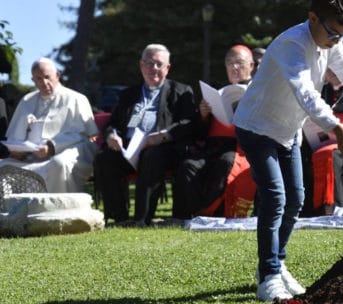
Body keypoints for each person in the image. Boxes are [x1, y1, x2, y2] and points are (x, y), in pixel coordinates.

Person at [233, 0, 343, 302]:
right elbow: (305, 91)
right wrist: (337, 128)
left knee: (296, 199)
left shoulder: (333, 41)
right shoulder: (291, 44)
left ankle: (276, 264)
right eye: (333, 34)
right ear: (313, 18)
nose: (336, 41)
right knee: (276, 196)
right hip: (256, 127)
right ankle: (267, 276)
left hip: (288, 130)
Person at [94, 44, 202, 226]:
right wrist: (112, 135)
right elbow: (113, 123)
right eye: (149, 63)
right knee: (105, 158)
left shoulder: (181, 91)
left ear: (168, 68)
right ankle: (120, 218)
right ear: (141, 65)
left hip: (162, 149)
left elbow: (189, 123)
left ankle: (141, 219)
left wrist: (164, 135)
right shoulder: (129, 94)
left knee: (152, 156)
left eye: (159, 64)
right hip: (128, 148)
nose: (154, 69)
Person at [173, 45, 256, 219]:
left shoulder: (259, 91)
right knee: (188, 166)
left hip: (241, 147)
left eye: (239, 63)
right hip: (212, 146)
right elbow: (200, 132)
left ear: (251, 65)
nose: (234, 67)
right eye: (230, 63)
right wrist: (203, 115)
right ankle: (193, 215)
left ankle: (212, 213)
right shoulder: (219, 93)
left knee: (225, 163)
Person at [0, 57, 97, 193]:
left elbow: (85, 136)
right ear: (33, 80)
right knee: (3, 166)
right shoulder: (27, 100)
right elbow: (14, 137)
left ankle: (59, 210)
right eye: (38, 79)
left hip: (67, 152)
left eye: (47, 77)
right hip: (30, 157)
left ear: (57, 75)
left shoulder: (76, 99)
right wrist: (17, 151)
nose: (44, 83)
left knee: (59, 164)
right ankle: (13, 212)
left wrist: (51, 147)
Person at [301, 67, 343, 216]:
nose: (334, 73)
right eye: (330, 70)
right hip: (317, 142)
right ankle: (310, 209)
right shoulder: (318, 91)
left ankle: (335, 207)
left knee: (330, 155)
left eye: (337, 69)